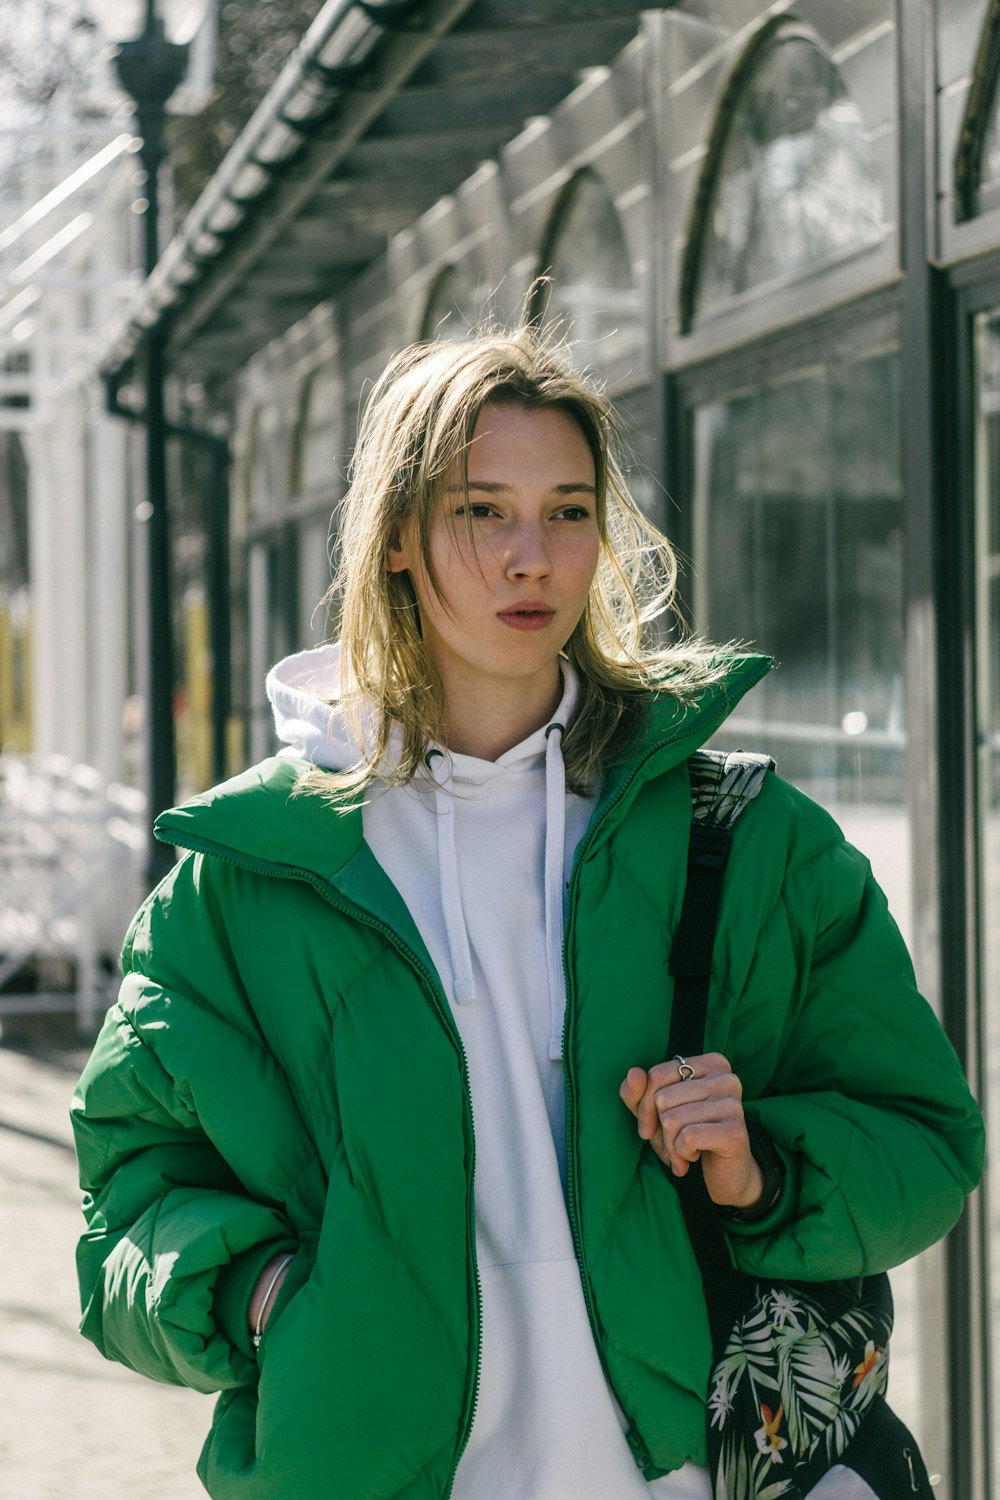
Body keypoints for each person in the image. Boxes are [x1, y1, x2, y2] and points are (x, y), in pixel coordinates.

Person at [71, 328, 984, 1500]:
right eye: (480, 512)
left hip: (698, 1475)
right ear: (395, 538)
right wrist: (262, 1295)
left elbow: (923, 1139)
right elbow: (125, 1211)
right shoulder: (245, 883)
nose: (529, 559)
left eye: (565, 511)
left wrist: (758, 1167)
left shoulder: (748, 840)